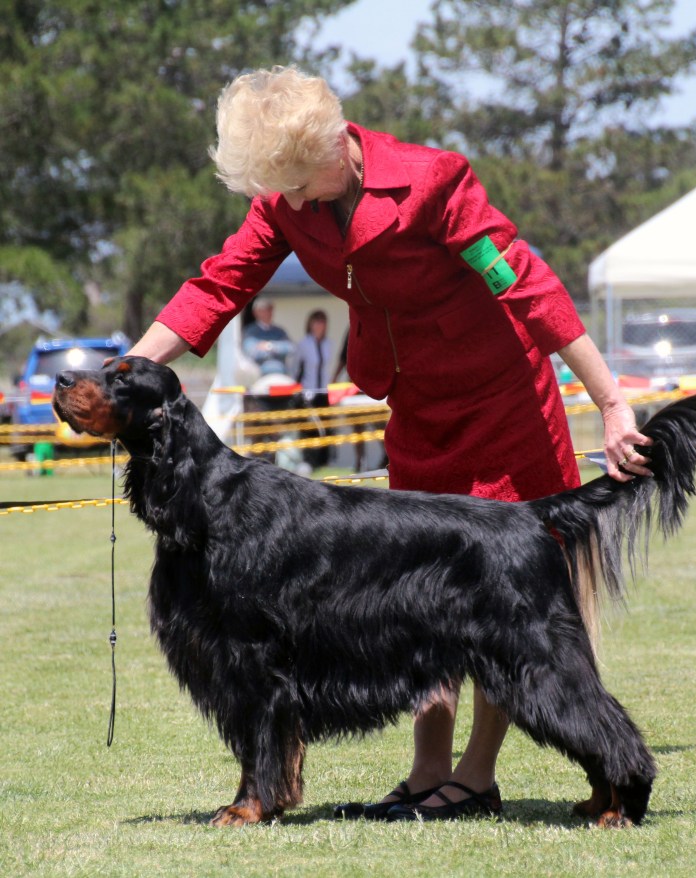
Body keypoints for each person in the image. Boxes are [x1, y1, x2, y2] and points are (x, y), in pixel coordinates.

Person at [125, 65, 653, 821]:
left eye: (301, 183)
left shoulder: (434, 182)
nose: (294, 203)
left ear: (338, 145)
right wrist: (134, 370)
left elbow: (524, 282)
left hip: (502, 402)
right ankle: (427, 771)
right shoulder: (286, 201)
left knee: (499, 598)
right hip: (419, 407)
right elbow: (218, 285)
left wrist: (609, 401)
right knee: (416, 593)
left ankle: (474, 776)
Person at [293, 309, 332, 468]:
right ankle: (309, 461)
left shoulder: (329, 343)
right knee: (310, 428)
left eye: (322, 322)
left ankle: (324, 461)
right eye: (316, 322)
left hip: (323, 391)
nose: (319, 326)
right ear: (310, 324)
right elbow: (296, 369)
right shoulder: (304, 344)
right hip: (307, 392)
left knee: (326, 427)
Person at [242, 295, 294, 374]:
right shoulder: (250, 332)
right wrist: (278, 350)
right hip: (260, 376)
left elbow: (290, 347)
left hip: (281, 374)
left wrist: (269, 346)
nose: (268, 312)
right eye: (264, 310)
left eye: (270, 309)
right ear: (256, 312)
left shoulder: (279, 331)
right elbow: (252, 352)